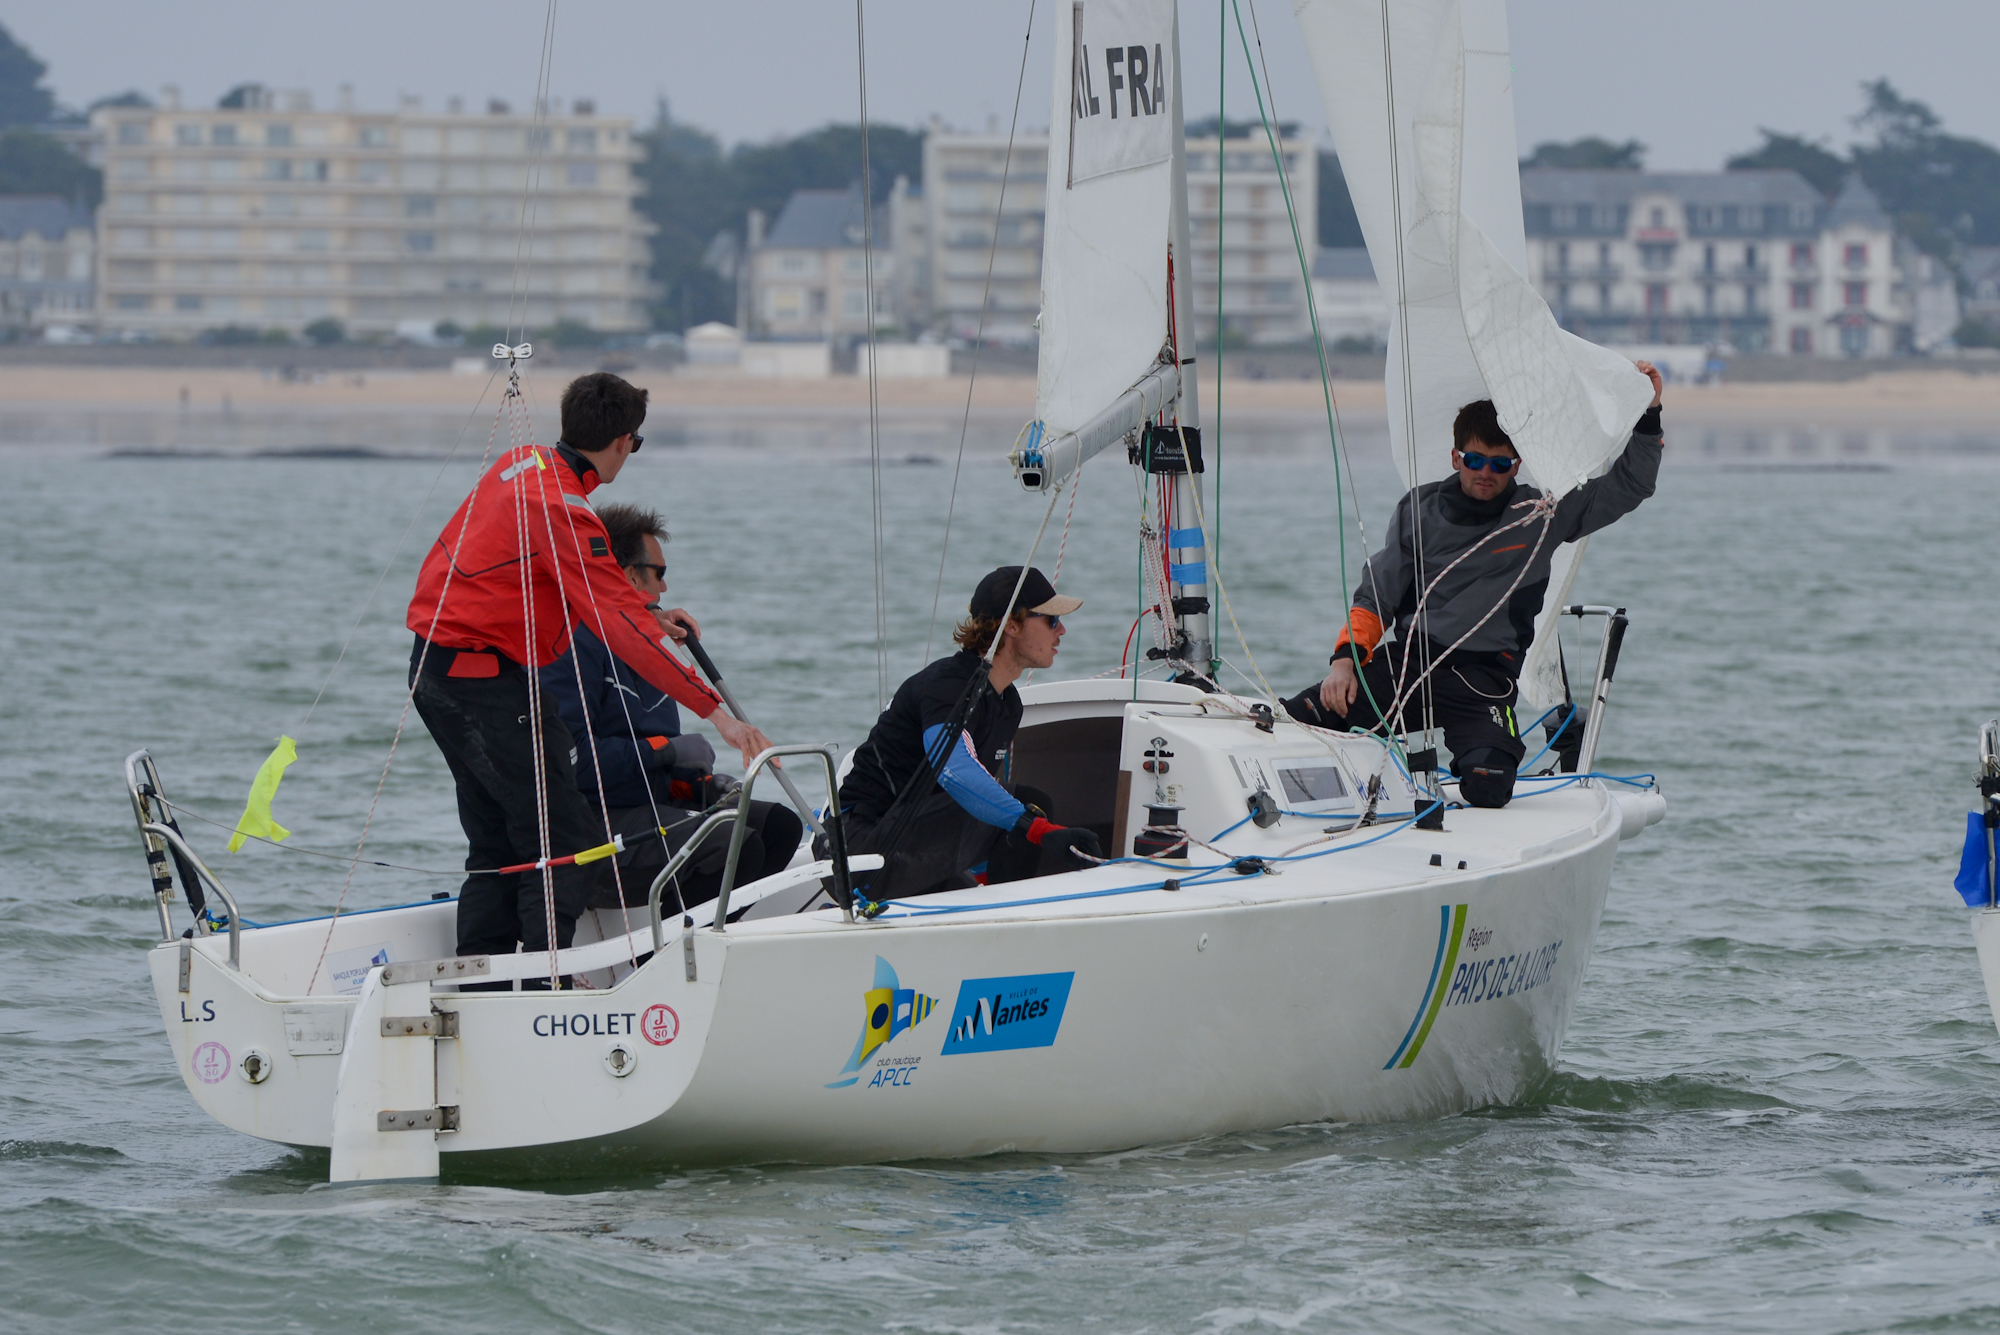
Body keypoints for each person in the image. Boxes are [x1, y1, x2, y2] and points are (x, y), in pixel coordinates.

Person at [406, 371, 775, 969]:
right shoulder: (567, 510)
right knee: (561, 836)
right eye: (636, 443)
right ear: (625, 442)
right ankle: (546, 978)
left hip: (437, 667)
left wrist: (649, 614)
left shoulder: (521, 464)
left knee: (497, 835)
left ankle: (486, 977)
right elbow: (614, 620)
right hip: (479, 678)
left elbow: (567, 583)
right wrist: (719, 717)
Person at [1283, 362, 1666, 808]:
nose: (1486, 472)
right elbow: (1376, 595)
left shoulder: (1540, 515)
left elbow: (1631, 485)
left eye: (1500, 463)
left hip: (1483, 681)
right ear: (1455, 458)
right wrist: (1344, 662)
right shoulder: (1418, 510)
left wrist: (1649, 414)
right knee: (1299, 719)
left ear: (1516, 465)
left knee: (1489, 785)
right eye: (1474, 460)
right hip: (1410, 665)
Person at [539, 501, 803, 916]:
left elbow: (654, 772)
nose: (664, 589)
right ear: (630, 576)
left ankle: (705, 939)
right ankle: (669, 950)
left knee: (780, 827)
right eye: (659, 573)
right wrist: (667, 750)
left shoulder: (651, 653)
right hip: (589, 830)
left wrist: (697, 785)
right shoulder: (574, 647)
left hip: (646, 810)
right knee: (735, 844)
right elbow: (574, 765)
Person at [838, 567, 1102, 900]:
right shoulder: (948, 686)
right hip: (859, 854)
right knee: (1030, 806)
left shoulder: (1008, 703)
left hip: (907, 842)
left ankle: (1004, 910)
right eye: (1052, 620)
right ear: (1012, 625)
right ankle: (1003, 914)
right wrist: (1036, 829)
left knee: (1020, 809)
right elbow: (955, 771)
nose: (1061, 630)